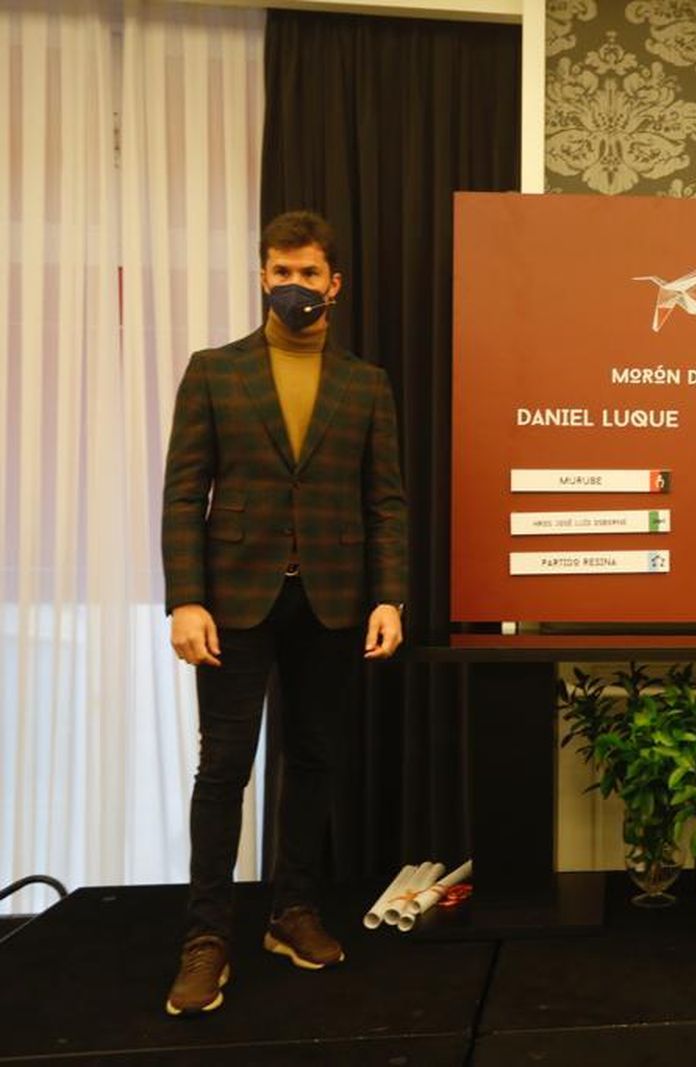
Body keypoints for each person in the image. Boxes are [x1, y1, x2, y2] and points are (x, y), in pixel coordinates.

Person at [160, 211, 408, 1016]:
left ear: (334, 283)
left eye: (307, 273)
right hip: (232, 599)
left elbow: (387, 501)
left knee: (313, 760)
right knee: (223, 768)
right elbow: (182, 495)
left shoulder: (366, 384)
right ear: (262, 276)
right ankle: (206, 938)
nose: (292, 286)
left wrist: (389, 595)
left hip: (333, 599)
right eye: (279, 271)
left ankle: (292, 911)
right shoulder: (214, 371)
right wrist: (185, 597)